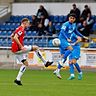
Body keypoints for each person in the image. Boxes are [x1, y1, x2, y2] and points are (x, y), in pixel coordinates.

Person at [11, 18, 53, 85]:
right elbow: (15, 37)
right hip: (19, 49)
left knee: (26, 64)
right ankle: (45, 62)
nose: (28, 25)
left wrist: (14, 44)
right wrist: (20, 46)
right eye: (28, 23)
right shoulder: (21, 29)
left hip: (15, 50)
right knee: (36, 48)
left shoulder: (18, 28)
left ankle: (17, 79)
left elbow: (12, 36)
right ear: (24, 23)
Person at [53, 13, 88, 79]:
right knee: (71, 49)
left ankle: (58, 70)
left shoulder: (74, 25)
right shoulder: (65, 24)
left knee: (64, 56)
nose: (71, 19)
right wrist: (67, 38)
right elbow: (62, 32)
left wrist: (83, 36)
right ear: (69, 18)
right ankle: (61, 66)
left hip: (67, 42)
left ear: (75, 19)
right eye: (70, 18)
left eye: (73, 18)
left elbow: (76, 31)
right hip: (63, 40)